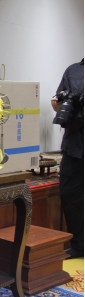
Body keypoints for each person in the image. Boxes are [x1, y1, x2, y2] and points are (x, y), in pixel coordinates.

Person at [51, 58, 84, 259]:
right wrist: (57, 104)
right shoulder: (72, 70)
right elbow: (58, 103)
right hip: (75, 144)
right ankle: (79, 244)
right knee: (70, 195)